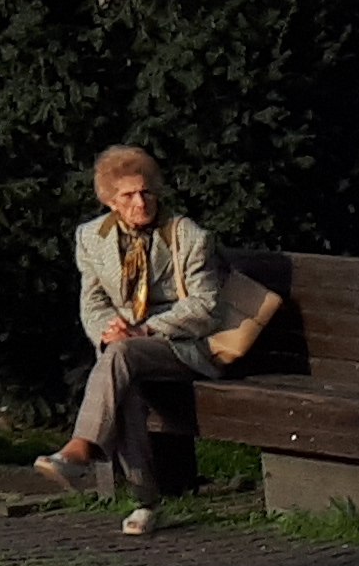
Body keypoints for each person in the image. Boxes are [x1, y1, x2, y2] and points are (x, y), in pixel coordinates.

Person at [29, 145, 225, 522]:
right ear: (110, 201)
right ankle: (146, 503)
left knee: (119, 357)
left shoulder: (187, 236)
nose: (140, 201)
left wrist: (144, 328)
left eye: (146, 191)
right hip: (125, 350)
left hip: (182, 347)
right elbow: (93, 301)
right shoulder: (90, 237)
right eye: (128, 195)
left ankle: (80, 448)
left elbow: (206, 307)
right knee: (124, 379)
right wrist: (109, 330)